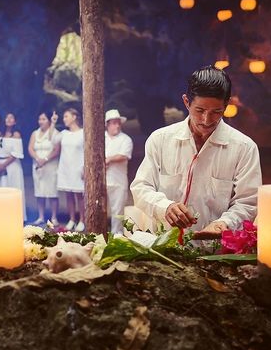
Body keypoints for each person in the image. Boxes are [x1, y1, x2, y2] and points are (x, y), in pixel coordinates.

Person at [131, 65, 262, 238]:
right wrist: (165, 207)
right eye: (199, 110)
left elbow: (248, 202)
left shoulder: (244, 148)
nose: (206, 120)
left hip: (214, 253)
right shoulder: (160, 140)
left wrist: (223, 224)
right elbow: (141, 187)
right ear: (186, 102)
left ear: (226, 105)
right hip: (163, 248)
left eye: (216, 112)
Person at [28, 111, 60, 226]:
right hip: (37, 165)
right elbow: (30, 148)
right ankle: (41, 216)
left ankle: (54, 217)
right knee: (39, 191)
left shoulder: (55, 133)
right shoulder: (34, 133)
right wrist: (37, 158)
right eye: (39, 119)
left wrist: (45, 159)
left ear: (49, 120)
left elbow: (56, 150)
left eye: (43, 119)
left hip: (50, 165)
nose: (41, 121)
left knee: (52, 192)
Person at [104, 109, 133, 235]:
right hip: (102, 180)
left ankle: (117, 235)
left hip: (118, 180)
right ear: (107, 124)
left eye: (118, 123)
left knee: (118, 211)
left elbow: (124, 155)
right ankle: (100, 234)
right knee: (100, 209)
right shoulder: (100, 138)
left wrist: (108, 159)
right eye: (114, 123)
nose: (117, 125)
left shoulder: (126, 139)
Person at [56, 108, 85, 232]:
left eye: (66, 116)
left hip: (78, 167)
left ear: (74, 117)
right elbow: (52, 140)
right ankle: (72, 219)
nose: (64, 119)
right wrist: (53, 123)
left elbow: (86, 150)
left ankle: (82, 220)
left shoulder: (83, 133)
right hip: (65, 167)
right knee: (68, 195)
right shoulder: (63, 133)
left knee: (79, 195)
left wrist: (84, 167)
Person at [0, 112, 26, 218]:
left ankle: (14, 216)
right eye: (7, 117)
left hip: (12, 166)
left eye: (11, 117)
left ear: (15, 121)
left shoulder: (16, 135)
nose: (8, 119)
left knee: (12, 190)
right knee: (0, 191)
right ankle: (2, 215)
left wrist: (4, 165)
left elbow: (17, 153)